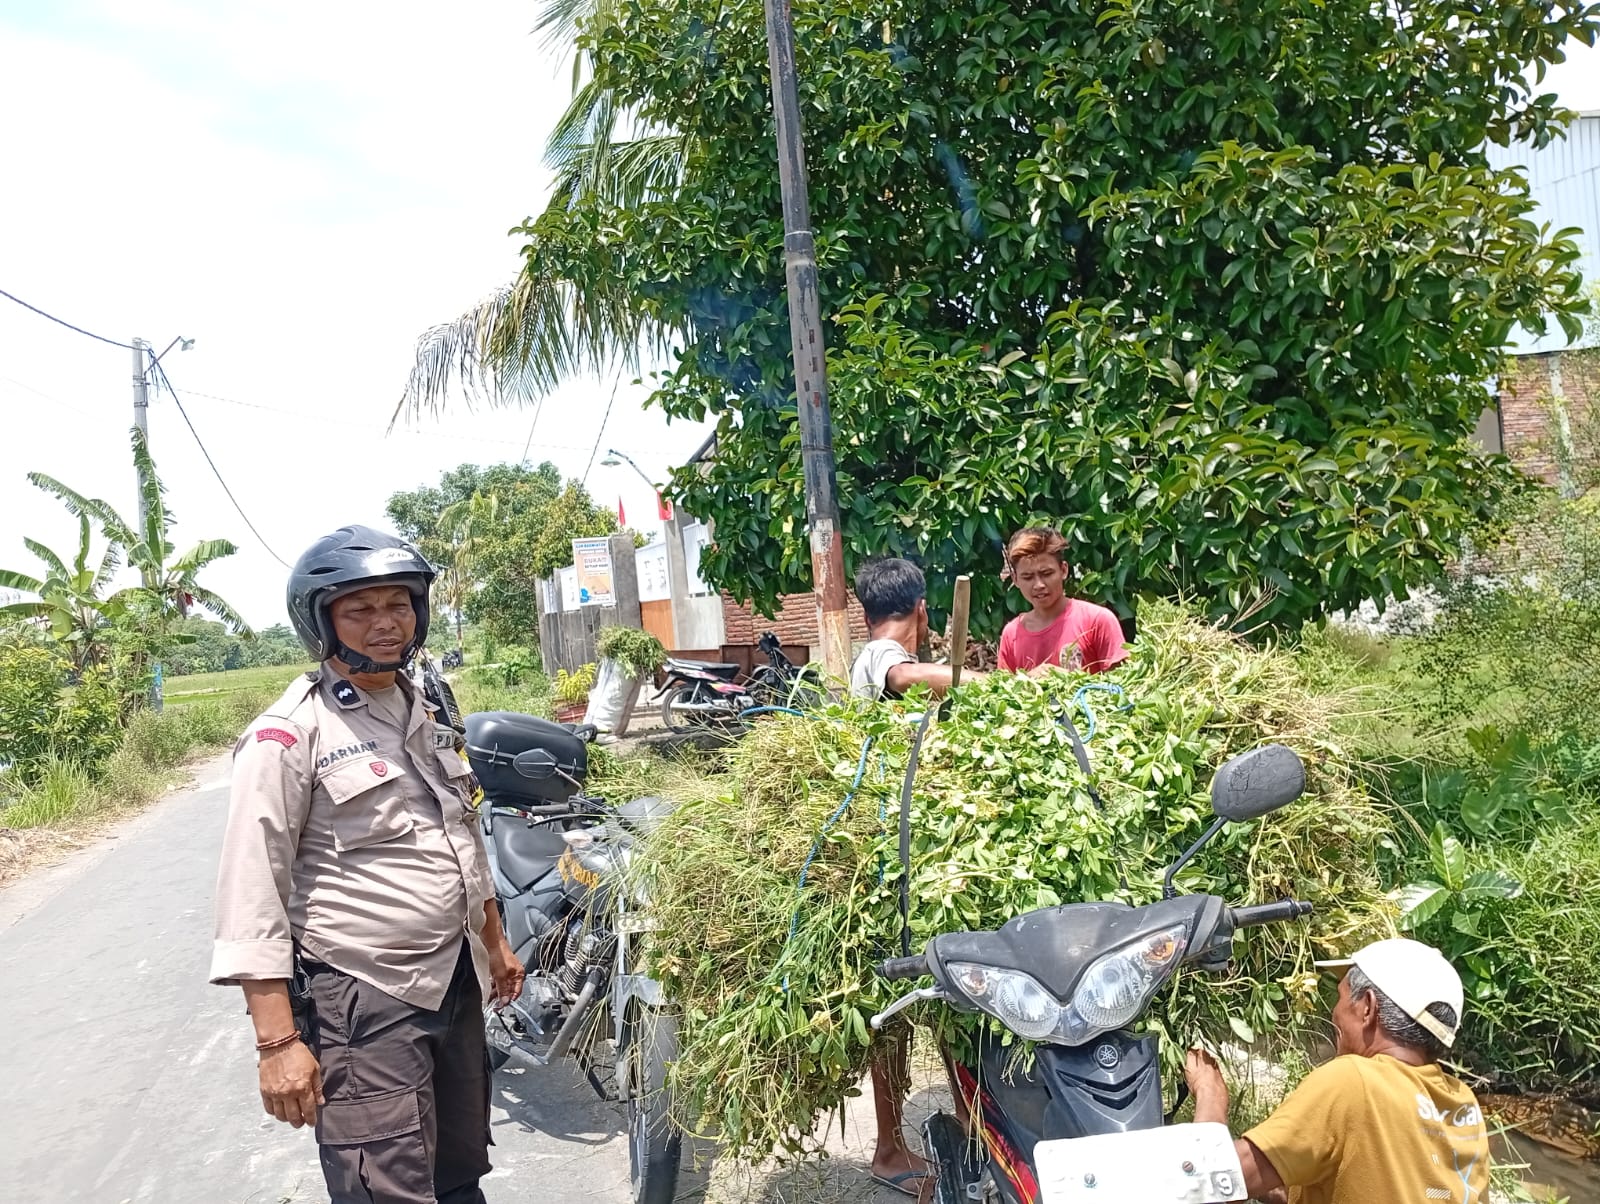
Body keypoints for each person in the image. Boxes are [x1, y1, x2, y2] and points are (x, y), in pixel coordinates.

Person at [210, 525, 525, 1204]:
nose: (386, 624)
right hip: (365, 994)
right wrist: (276, 1044)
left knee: (458, 1174)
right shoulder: (290, 734)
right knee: (388, 1188)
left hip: (453, 978)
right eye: (361, 609)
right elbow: (252, 892)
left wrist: (493, 943)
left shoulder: (424, 703)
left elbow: (460, 830)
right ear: (321, 622)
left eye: (399, 605)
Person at [849, 557, 986, 1201]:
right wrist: (976, 681)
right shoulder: (879, 657)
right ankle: (887, 1149)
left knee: (937, 1000)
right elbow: (907, 675)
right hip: (893, 862)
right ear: (923, 612)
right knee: (901, 1010)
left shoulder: (865, 651)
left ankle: (968, 1128)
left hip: (904, 851)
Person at [1184, 938, 1490, 1204]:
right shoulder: (1463, 1103)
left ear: (1367, 1008)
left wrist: (1211, 1095)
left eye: (1341, 998)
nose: (1335, 1013)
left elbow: (1210, 1184)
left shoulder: (1353, 1081)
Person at [996, 527, 1128, 674]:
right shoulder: (1011, 634)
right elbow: (1006, 692)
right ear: (1015, 580)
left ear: (1063, 570)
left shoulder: (1097, 621)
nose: (1039, 585)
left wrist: (1067, 681)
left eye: (1046, 573)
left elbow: (1120, 687)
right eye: (1027, 577)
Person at [850, 557, 986, 701]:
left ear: (867, 619)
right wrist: (995, 685)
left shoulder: (867, 662)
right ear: (922, 610)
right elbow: (902, 676)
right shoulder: (880, 650)